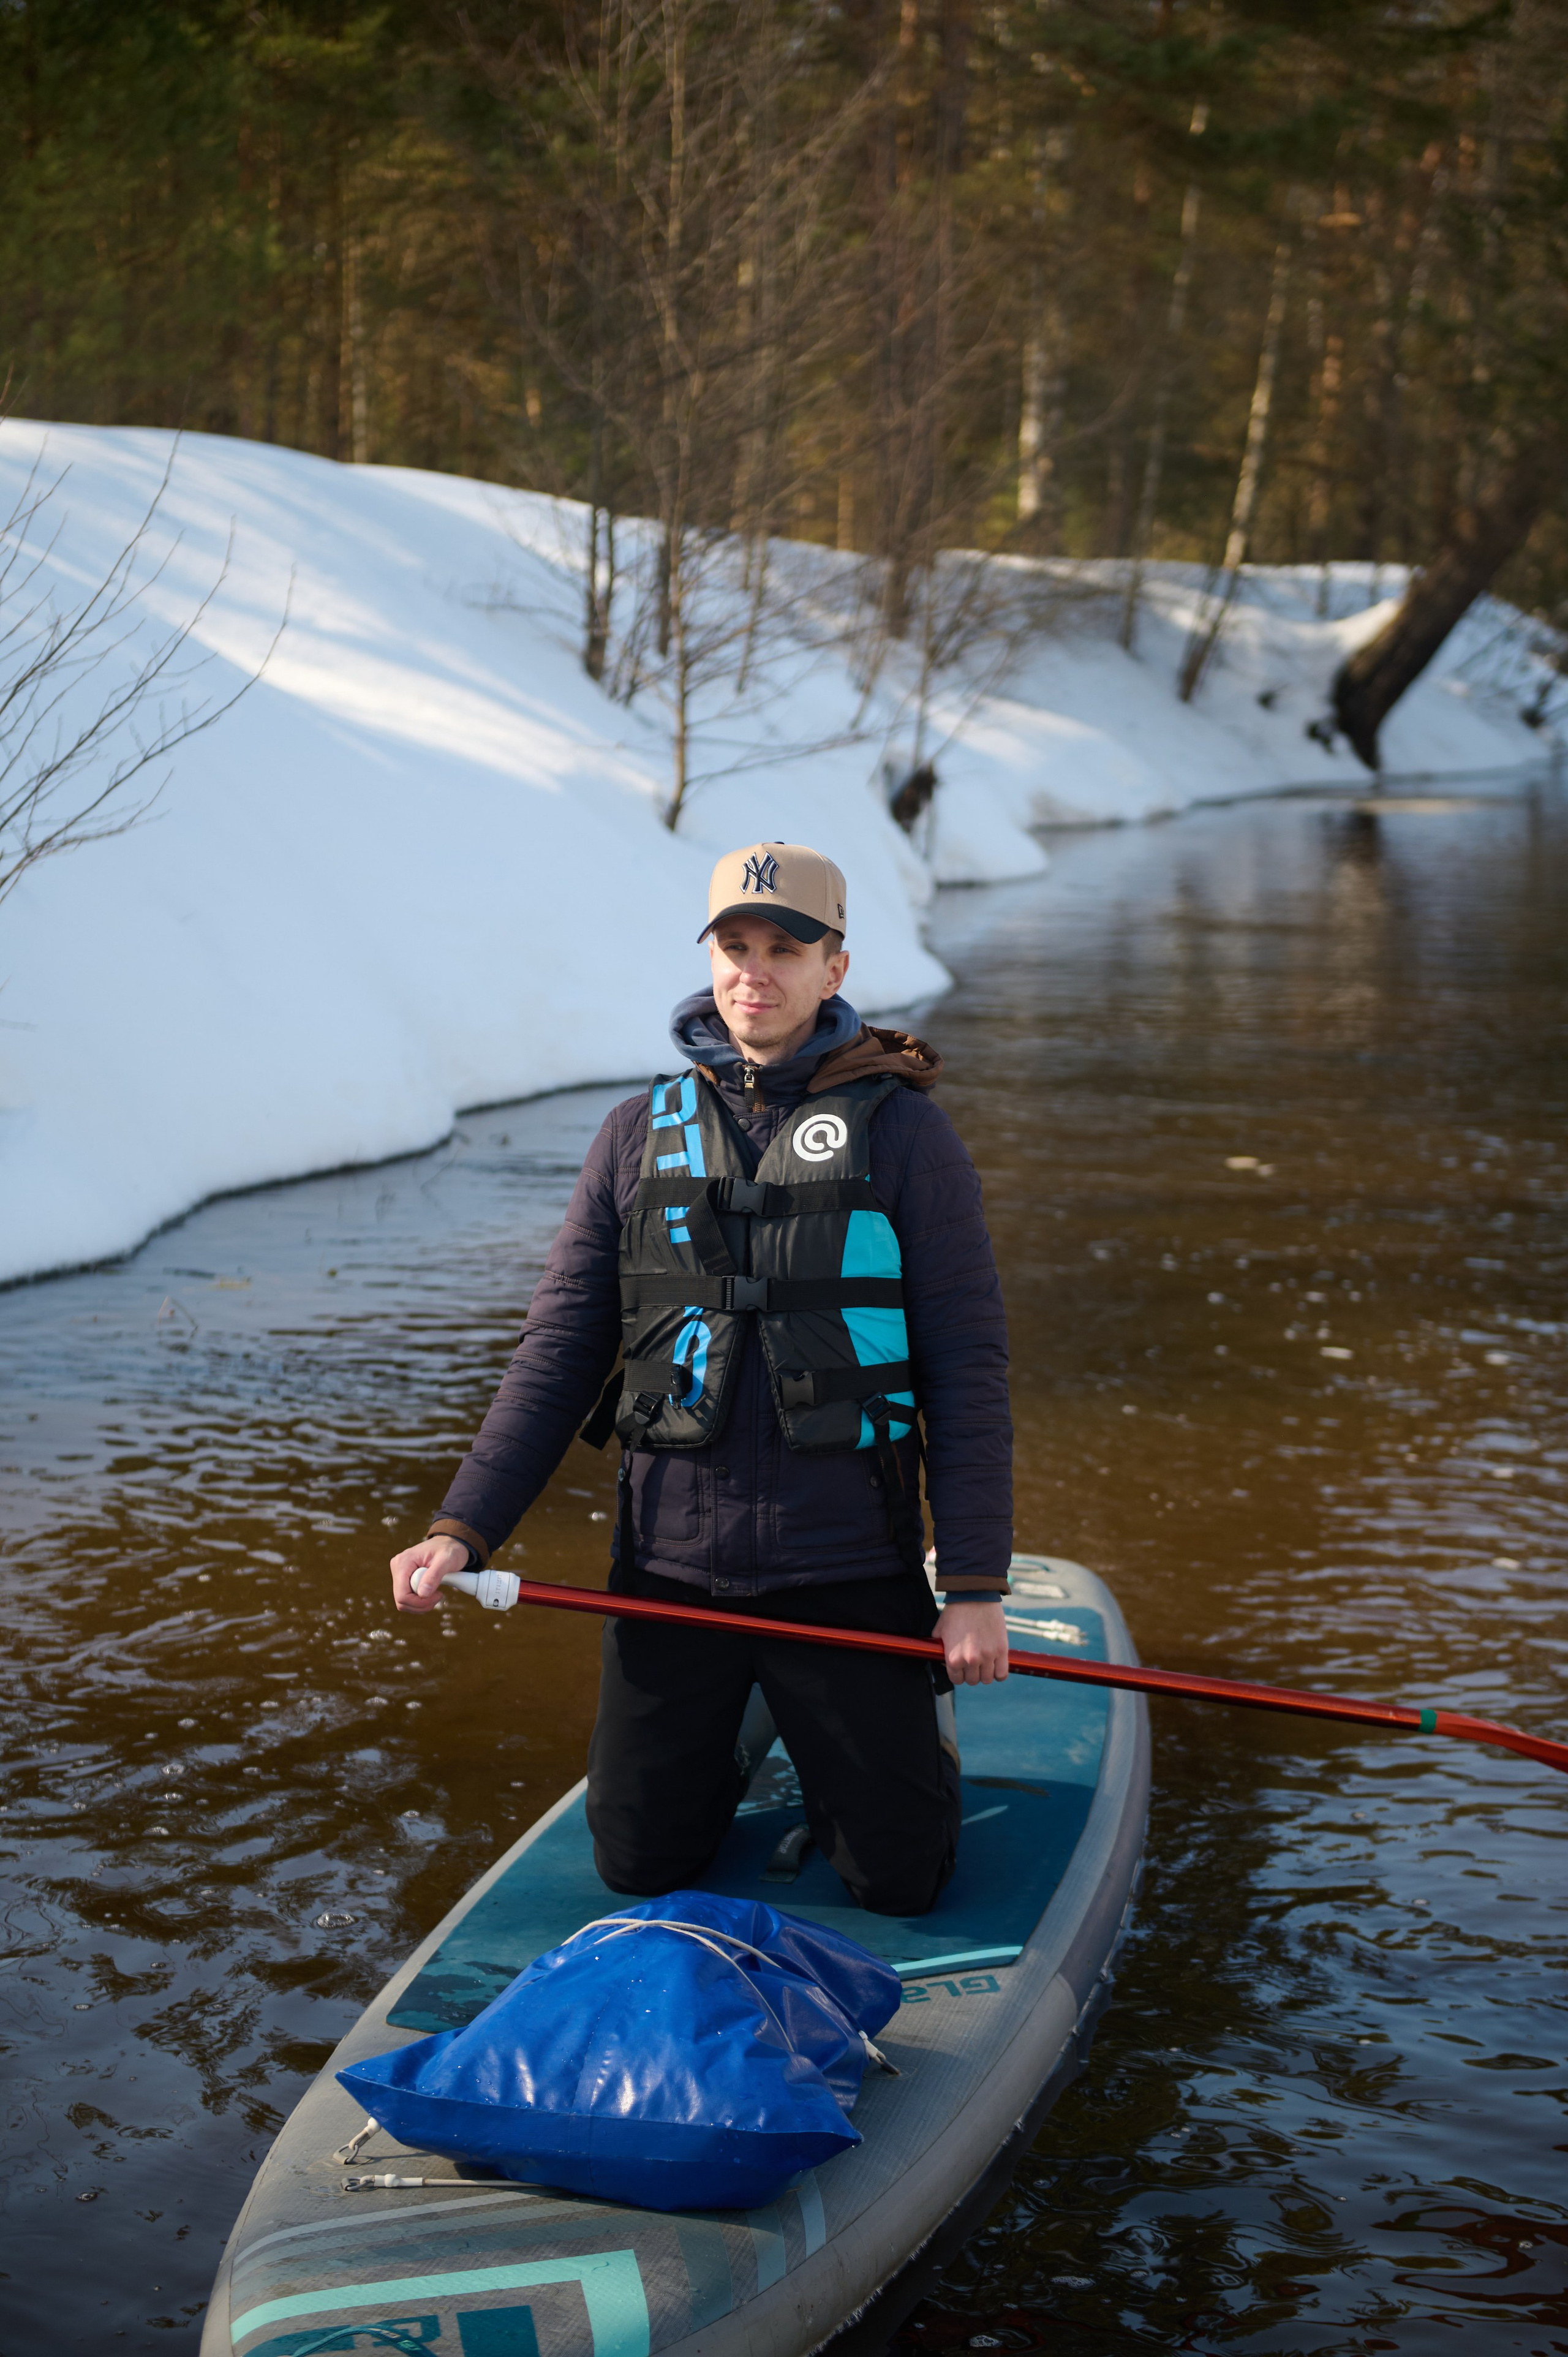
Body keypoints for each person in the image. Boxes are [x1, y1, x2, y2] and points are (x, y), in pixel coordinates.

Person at [391, 841, 1013, 1916]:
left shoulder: (909, 1137)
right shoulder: (635, 1134)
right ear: (712, 958)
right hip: (672, 1571)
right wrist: (465, 1528)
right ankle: (743, 1729)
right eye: (736, 946)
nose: (754, 972)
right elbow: (557, 1350)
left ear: (836, 968)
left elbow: (967, 1370)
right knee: (640, 1863)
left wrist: (971, 1589)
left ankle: (904, 1732)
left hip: (847, 1569)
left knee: (901, 1879)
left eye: (785, 947)